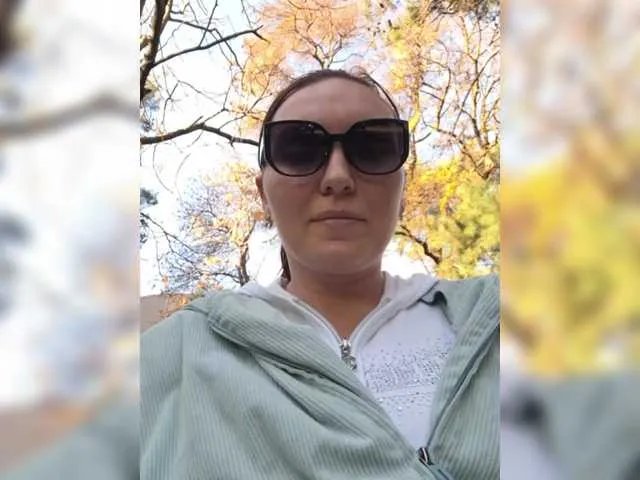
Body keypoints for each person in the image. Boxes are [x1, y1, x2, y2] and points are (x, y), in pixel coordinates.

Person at [141, 69, 499, 480]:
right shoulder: (168, 359)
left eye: (373, 148)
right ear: (263, 195)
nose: (338, 178)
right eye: (298, 149)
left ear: (401, 188)